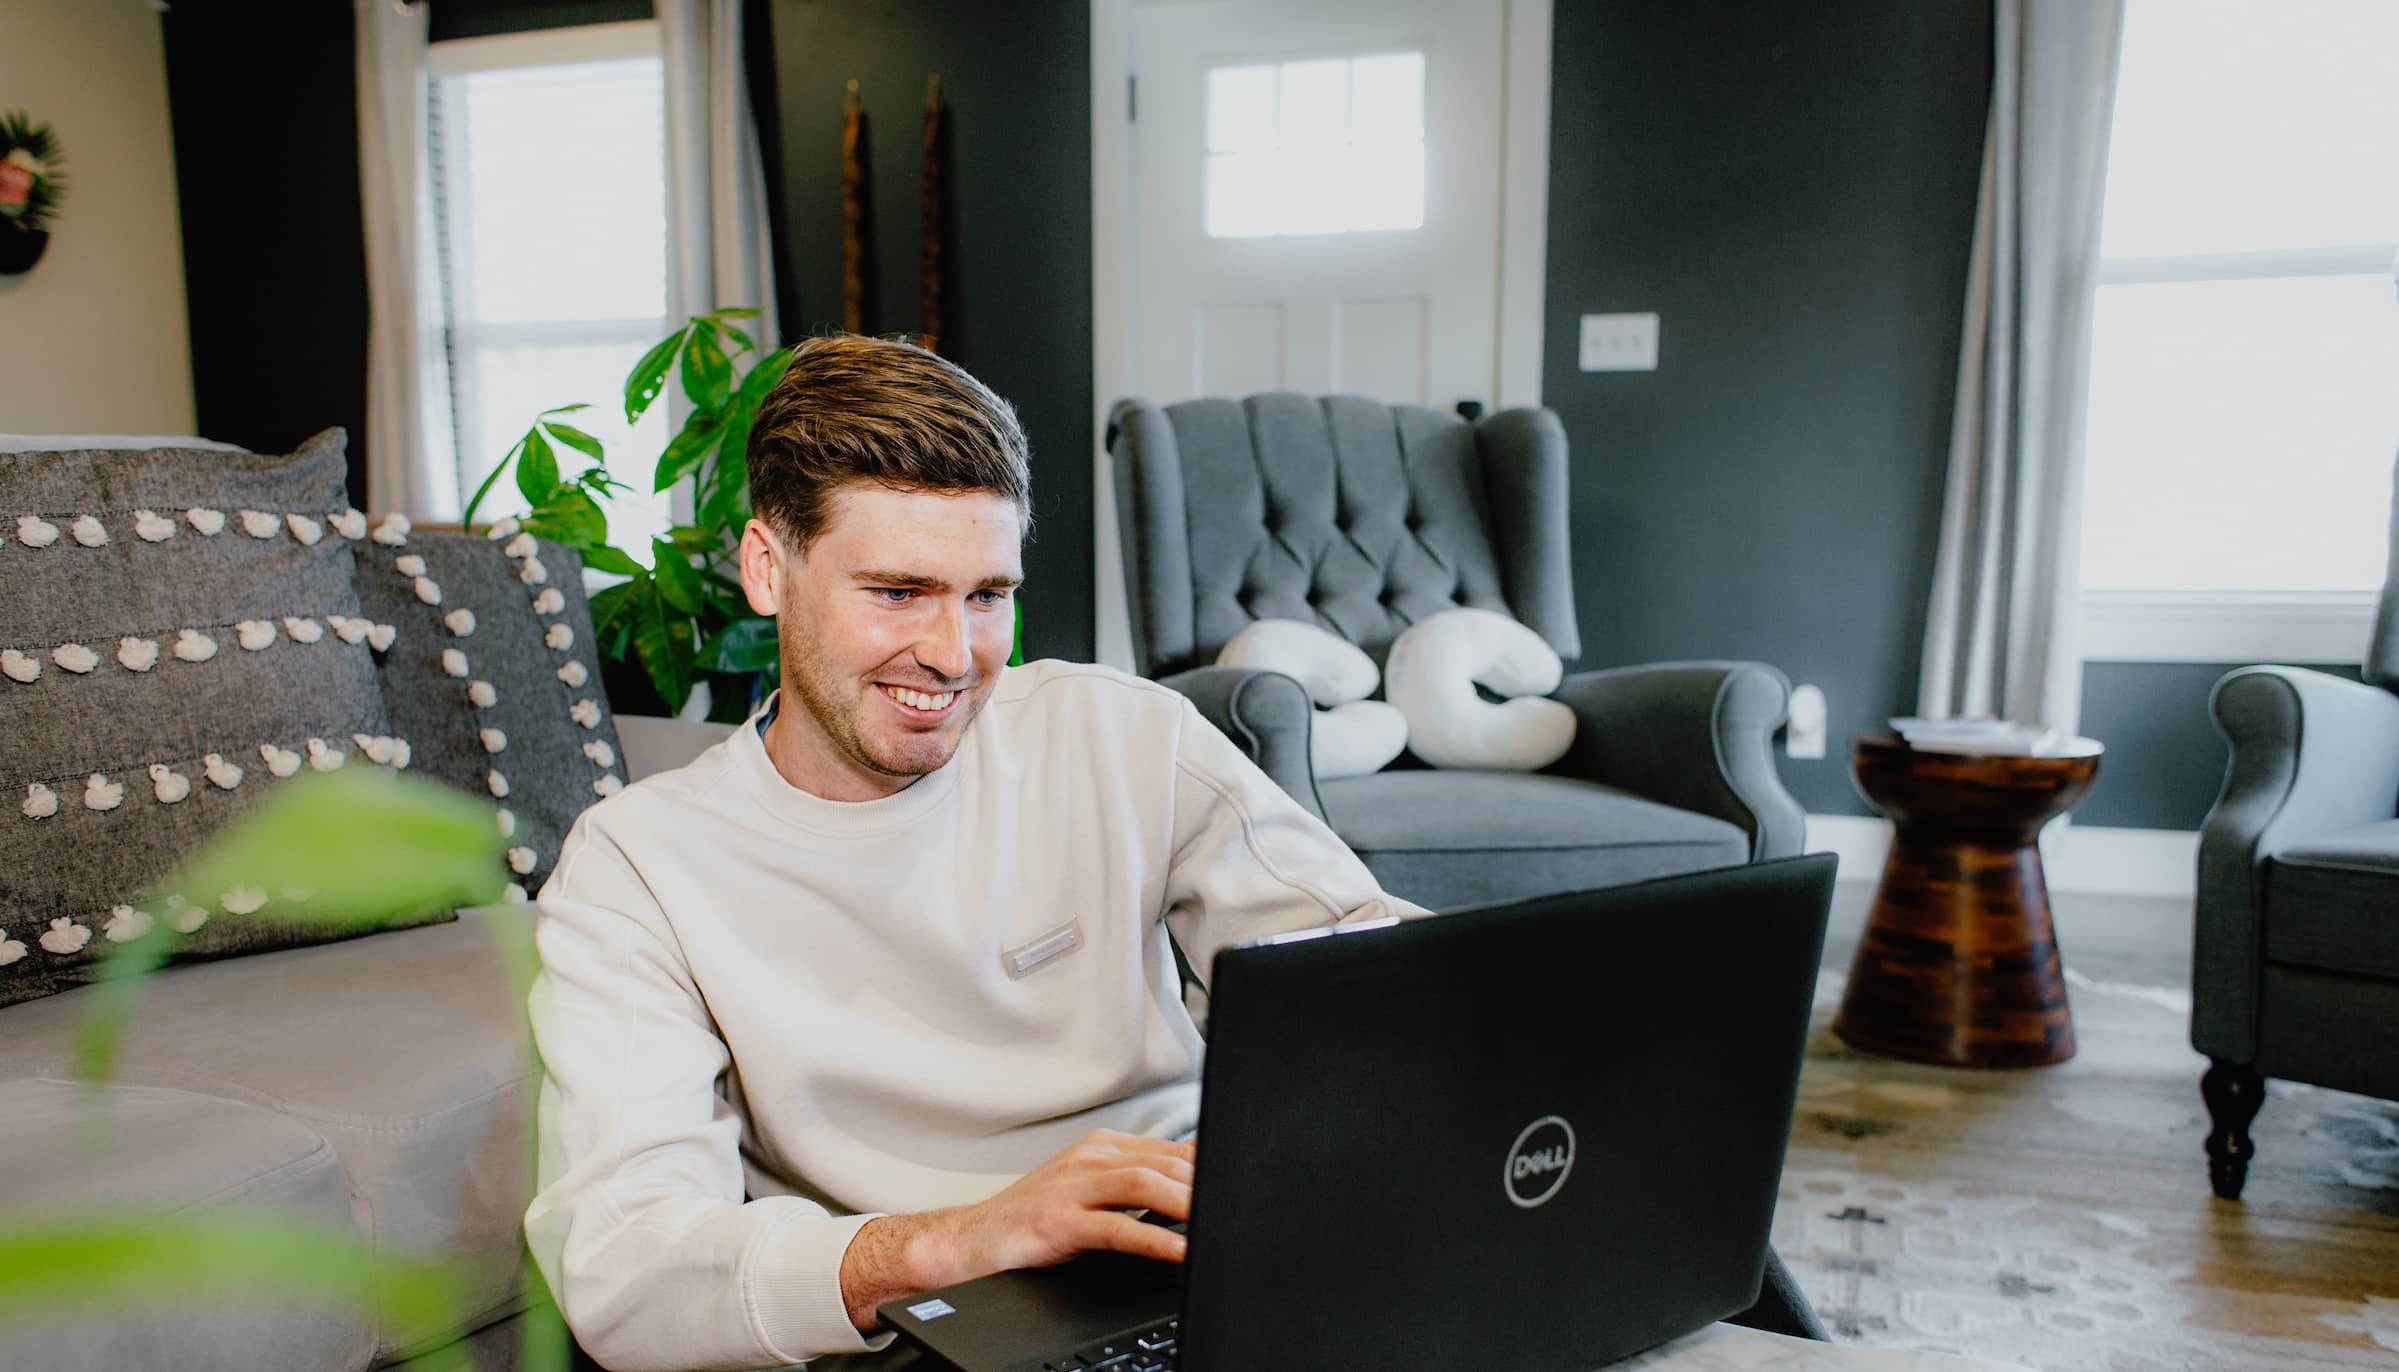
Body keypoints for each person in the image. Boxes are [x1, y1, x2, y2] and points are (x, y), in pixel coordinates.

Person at [524, 334, 1431, 1371]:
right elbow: (626, 1269)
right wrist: (976, 1233)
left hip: (1199, 1256)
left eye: (986, 594)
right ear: (766, 567)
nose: (954, 656)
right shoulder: (637, 867)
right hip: (930, 1326)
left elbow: (1377, 975)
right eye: (898, 592)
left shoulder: (1119, 733)